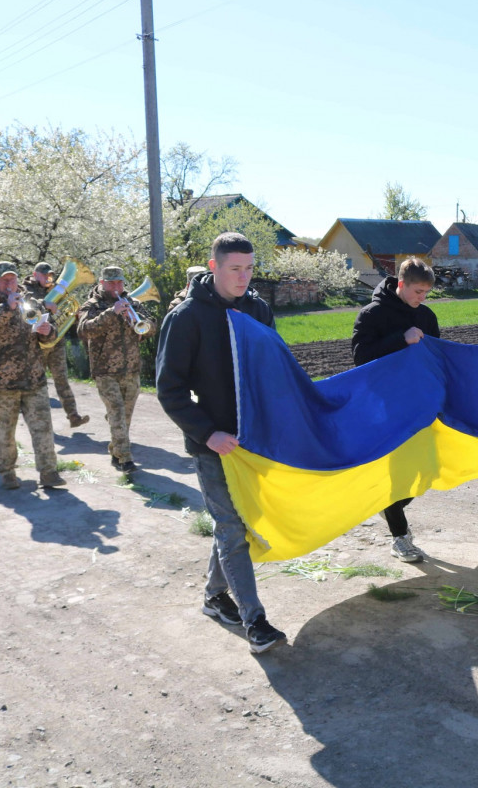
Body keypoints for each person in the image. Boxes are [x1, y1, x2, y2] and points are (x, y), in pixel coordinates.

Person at [156, 232, 286, 655]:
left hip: (254, 442)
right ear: (213, 267)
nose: (244, 277)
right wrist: (207, 433)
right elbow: (169, 390)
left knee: (240, 525)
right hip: (213, 443)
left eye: (249, 269)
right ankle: (256, 621)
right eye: (235, 269)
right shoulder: (187, 317)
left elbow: (273, 367)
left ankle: (214, 597)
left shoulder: (258, 309)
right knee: (230, 527)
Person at [350, 256, 441, 563]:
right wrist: (401, 340)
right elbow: (361, 357)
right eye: (417, 291)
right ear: (401, 284)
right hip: (386, 406)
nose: (422, 298)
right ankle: (400, 537)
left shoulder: (427, 316)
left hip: (419, 404)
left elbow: (437, 357)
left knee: (425, 469)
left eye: (426, 293)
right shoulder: (372, 314)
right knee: (397, 472)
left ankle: (390, 505)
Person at [0, 261, 66, 490]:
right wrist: (7, 308)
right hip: (0, 384)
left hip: (33, 379)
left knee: (42, 429)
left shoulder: (32, 301)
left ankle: (48, 472)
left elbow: (49, 337)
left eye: (12, 279)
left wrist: (47, 331)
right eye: (4, 280)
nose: (9, 283)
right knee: (4, 434)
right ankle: (7, 473)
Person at [77, 266, 156, 473]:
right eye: (111, 283)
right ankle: (125, 459)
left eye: (119, 282)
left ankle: (115, 449)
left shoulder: (133, 302)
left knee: (124, 417)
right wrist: (111, 313)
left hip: (131, 368)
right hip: (105, 370)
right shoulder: (92, 305)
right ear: (102, 283)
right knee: (118, 413)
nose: (116, 287)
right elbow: (84, 330)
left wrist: (143, 327)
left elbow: (151, 325)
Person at [24, 262, 89, 429]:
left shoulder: (55, 289)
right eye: (44, 275)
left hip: (56, 341)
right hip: (36, 344)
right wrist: (44, 303)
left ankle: (73, 416)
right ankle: (38, 419)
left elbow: (63, 312)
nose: (48, 278)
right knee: (37, 382)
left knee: (62, 379)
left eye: (50, 275)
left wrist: (73, 315)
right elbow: (26, 305)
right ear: (34, 274)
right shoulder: (25, 289)